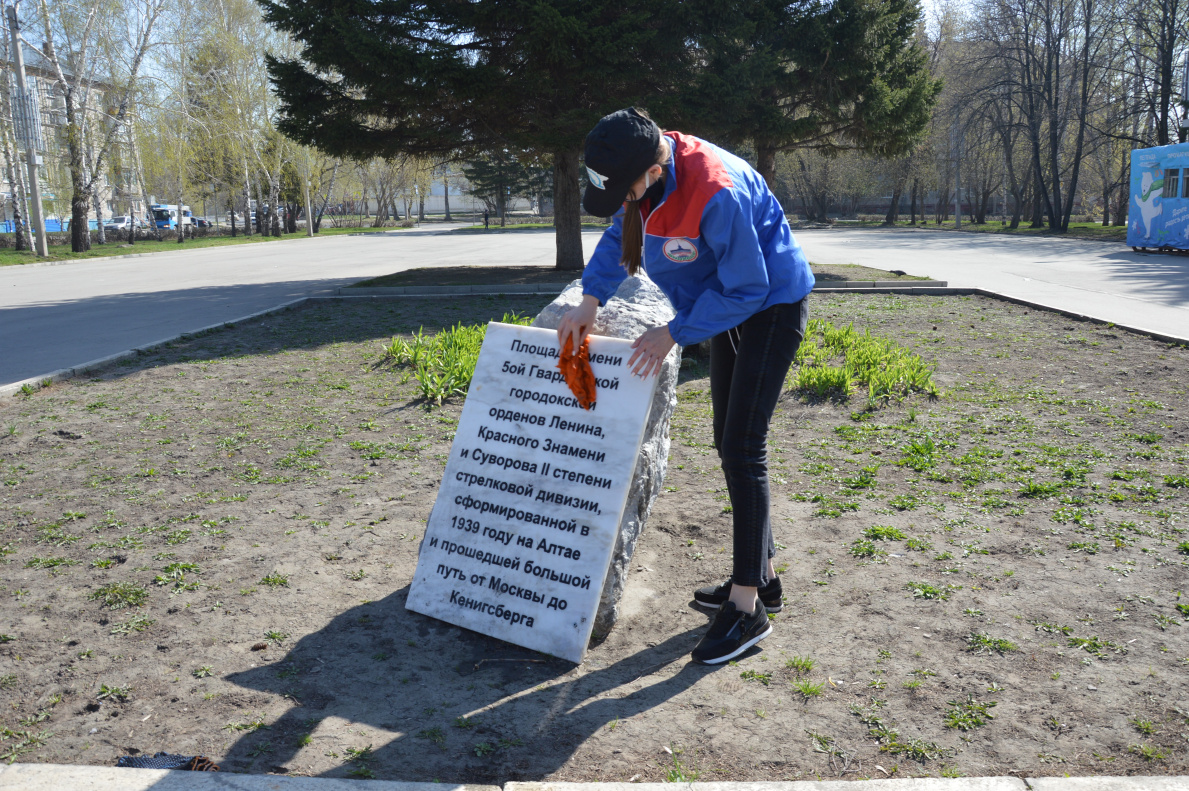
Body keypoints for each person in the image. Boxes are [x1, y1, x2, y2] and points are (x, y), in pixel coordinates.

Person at [556, 108, 814, 665]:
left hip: (768, 305)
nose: (624, 200)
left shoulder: (713, 190)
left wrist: (673, 332)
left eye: (626, 190)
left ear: (650, 171)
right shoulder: (642, 178)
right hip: (722, 305)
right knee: (728, 441)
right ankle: (762, 576)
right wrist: (590, 298)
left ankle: (748, 611)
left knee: (745, 449)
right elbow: (617, 232)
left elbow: (750, 286)